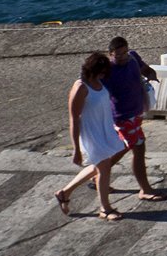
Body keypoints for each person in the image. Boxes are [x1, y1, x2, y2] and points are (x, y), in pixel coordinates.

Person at [55, 52, 128, 221]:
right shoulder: (81, 87)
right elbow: (74, 119)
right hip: (91, 134)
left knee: (101, 165)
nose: (104, 75)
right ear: (92, 70)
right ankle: (105, 209)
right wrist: (76, 149)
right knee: (104, 167)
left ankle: (64, 193)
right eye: (101, 72)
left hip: (104, 130)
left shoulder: (98, 81)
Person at [102, 36, 167, 202]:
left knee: (123, 147)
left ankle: (98, 175)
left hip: (136, 113)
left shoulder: (132, 58)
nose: (123, 57)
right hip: (122, 117)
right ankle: (145, 189)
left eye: (124, 53)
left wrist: (151, 74)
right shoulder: (106, 71)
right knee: (138, 148)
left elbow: (145, 69)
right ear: (110, 54)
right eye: (118, 55)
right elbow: (94, 89)